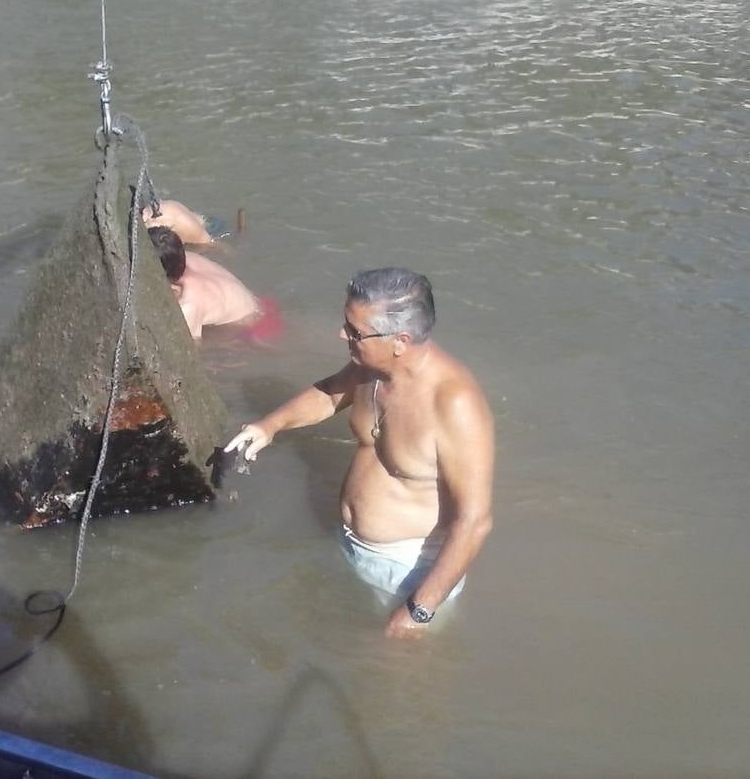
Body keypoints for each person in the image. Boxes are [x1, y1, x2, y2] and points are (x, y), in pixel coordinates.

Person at [224, 268, 494, 638]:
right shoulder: (372, 367)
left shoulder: (453, 402)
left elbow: (475, 521)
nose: (342, 334)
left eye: (354, 331)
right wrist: (269, 426)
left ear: (400, 340)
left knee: (397, 686)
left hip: (410, 572)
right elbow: (331, 393)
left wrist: (420, 610)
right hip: (350, 543)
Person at [148, 226, 280, 342]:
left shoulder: (188, 304)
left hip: (255, 326)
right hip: (258, 303)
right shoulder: (183, 257)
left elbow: (191, 349)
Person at [141, 199, 215, 246]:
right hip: (197, 222)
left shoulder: (179, 222)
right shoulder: (157, 210)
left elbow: (210, 243)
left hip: (204, 234)